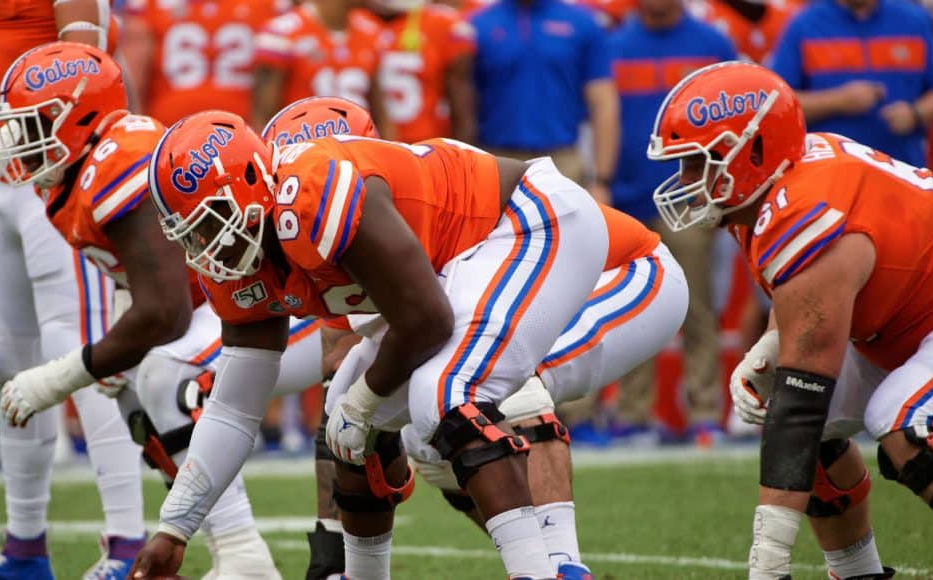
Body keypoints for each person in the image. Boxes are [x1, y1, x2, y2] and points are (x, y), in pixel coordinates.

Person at [132, 108, 609, 579]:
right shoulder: (244, 255)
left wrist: (364, 403)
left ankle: (540, 571)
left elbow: (426, 321)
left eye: (213, 222)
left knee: (441, 392)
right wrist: (174, 529)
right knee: (345, 410)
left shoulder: (310, 192)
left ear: (256, 181)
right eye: (192, 234)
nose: (208, 248)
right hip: (455, 270)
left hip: (527, 221)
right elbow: (233, 410)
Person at [261, 95, 688, 578]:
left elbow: (427, 329)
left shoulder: (382, 206)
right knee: (404, 416)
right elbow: (341, 390)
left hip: (624, 273)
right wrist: (328, 546)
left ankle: (560, 565)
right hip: (536, 271)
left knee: (483, 386)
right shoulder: (330, 232)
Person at [0, 40, 312, 579]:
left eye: (36, 124)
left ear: (82, 115)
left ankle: (242, 552)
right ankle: (233, 550)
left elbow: (165, 313)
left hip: (289, 299)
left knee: (166, 371)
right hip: (232, 301)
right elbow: (144, 274)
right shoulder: (81, 171)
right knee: (140, 394)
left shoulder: (118, 160)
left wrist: (59, 378)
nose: (24, 141)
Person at [646, 60, 933, 579]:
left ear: (754, 149)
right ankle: (858, 572)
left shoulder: (805, 209)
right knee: (785, 408)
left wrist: (768, 561)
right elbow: (803, 298)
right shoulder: (771, 187)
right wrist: (766, 347)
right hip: (907, 322)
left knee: (900, 424)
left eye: (701, 162)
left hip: (932, 317)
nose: (689, 181)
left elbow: (802, 404)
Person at [0, 3, 149, 578]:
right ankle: (25, 547)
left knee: (82, 348)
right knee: (4, 356)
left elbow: (84, 69)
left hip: (56, 167)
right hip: (1, 172)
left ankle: (128, 543)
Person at [606, 0, 738, 444]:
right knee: (633, 309)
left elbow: (737, 121)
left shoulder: (712, 43)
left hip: (692, 196)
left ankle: (704, 413)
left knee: (697, 308)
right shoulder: (613, 44)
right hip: (628, 193)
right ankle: (632, 414)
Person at [769, 0, 933, 169]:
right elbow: (777, 103)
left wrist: (915, 113)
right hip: (829, 175)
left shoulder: (914, 21)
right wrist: (838, 101)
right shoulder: (804, 24)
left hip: (903, 173)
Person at [470, 0, 614, 202]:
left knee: (566, 233)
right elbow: (463, 104)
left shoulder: (582, 23)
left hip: (562, 161)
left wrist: (601, 180)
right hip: (497, 160)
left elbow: (603, 103)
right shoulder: (478, 24)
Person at [119, 0, 279, 127]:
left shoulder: (150, 5)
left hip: (170, 127)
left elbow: (132, 79)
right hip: (239, 128)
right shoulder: (270, 6)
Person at [251, 0, 392, 134]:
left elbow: (381, 112)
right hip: (303, 144)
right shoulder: (282, 33)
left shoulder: (371, 31)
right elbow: (264, 114)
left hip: (358, 145)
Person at [368, 0, 478, 143]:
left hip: (426, 146)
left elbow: (461, 105)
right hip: (368, 144)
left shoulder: (444, 24)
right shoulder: (355, 19)